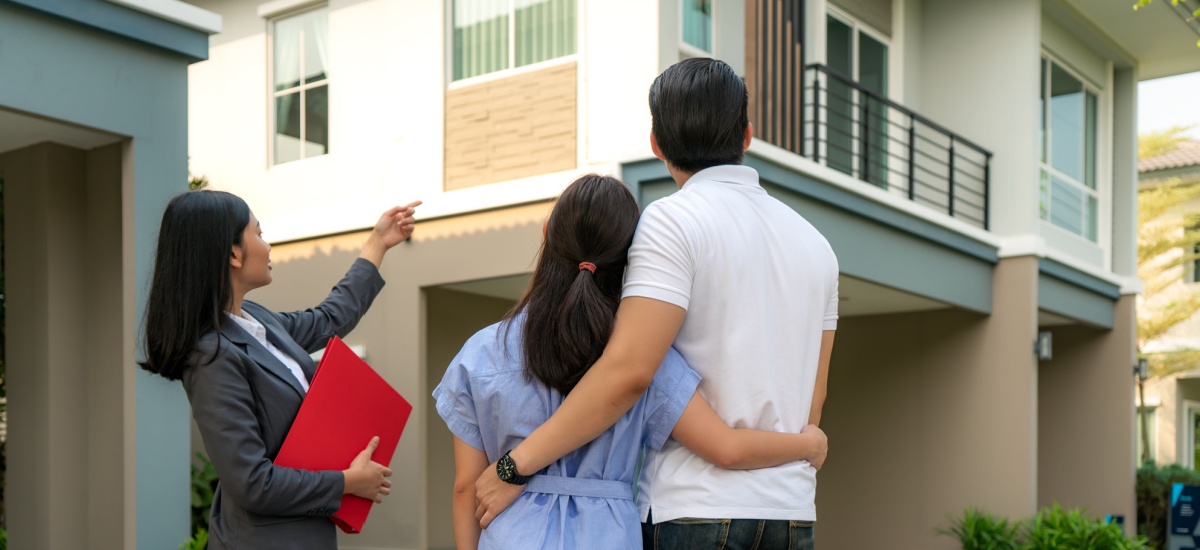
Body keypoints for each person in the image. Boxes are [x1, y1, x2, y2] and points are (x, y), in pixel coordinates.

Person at [474, 58, 839, 549]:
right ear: (747, 135)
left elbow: (629, 372)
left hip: (695, 513)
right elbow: (810, 407)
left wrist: (512, 467)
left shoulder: (671, 222)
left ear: (656, 145)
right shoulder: (817, 246)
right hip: (791, 513)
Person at [434, 174, 828, 550]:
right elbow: (726, 448)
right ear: (629, 259)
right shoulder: (646, 359)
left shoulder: (481, 354)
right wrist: (805, 444)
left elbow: (465, 488)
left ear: (546, 232)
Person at [139, 190, 421, 550]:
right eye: (259, 233)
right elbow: (252, 483)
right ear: (233, 254)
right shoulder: (211, 356)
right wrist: (346, 482)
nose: (268, 245)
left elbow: (327, 319)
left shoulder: (256, 320)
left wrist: (378, 243)